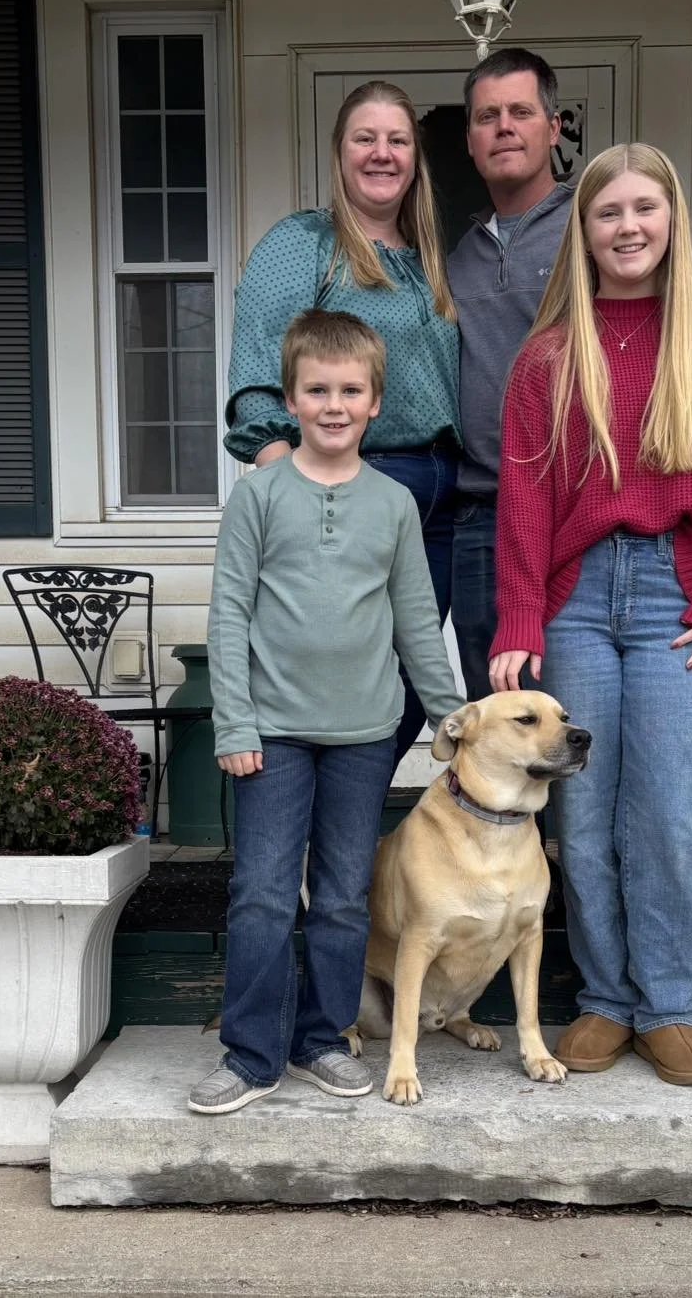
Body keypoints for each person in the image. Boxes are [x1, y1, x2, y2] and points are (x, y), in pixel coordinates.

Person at [488, 144, 692, 1087]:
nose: (629, 227)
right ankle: (606, 998)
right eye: (609, 212)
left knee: (664, 811)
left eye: (645, 208)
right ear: (585, 230)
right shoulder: (547, 359)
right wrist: (519, 621)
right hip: (574, 603)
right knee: (584, 809)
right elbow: (524, 505)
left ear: (672, 221)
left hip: (675, 598)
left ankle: (670, 1005)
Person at [191, 309, 462, 1114]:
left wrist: (450, 717)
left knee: (345, 894)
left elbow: (417, 620)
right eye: (318, 389)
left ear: (376, 401)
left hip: (365, 735)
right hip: (270, 733)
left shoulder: (393, 505)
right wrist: (233, 722)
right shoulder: (259, 495)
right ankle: (249, 1053)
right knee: (264, 892)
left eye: (350, 390)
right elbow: (227, 615)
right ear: (291, 398)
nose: (334, 404)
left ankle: (321, 1037)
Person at [225, 81, 460, 767]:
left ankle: (345, 848)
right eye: (365, 137)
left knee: (407, 679)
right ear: (339, 152)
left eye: (397, 139)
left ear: (415, 157)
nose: (381, 153)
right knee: (336, 672)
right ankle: (306, 846)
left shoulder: (428, 259)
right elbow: (255, 373)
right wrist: (295, 485)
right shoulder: (304, 243)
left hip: (444, 495)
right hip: (355, 476)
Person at [447, 48, 573, 701]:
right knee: (498, 721)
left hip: (572, 512)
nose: (503, 126)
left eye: (521, 111)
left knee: (570, 718)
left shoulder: (590, 230)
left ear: (554, 128)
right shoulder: (460, 257)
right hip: (480, 518)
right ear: (469, 140)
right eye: (486, 116)